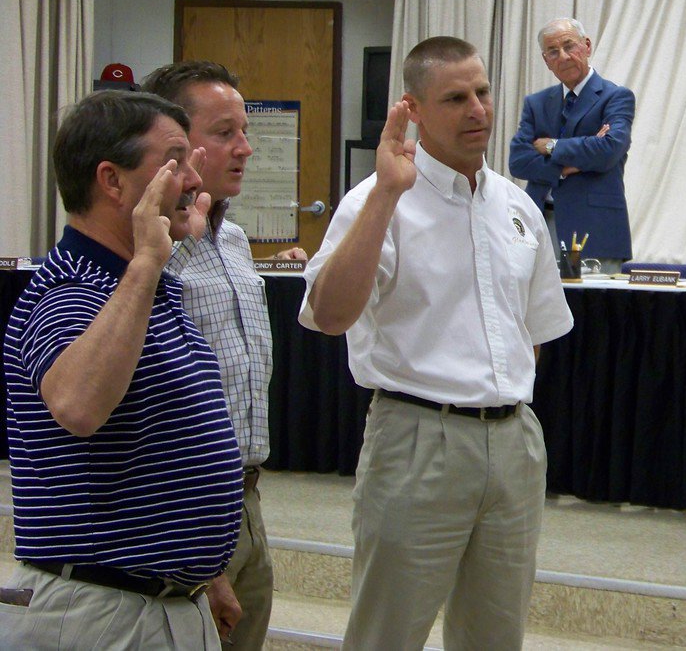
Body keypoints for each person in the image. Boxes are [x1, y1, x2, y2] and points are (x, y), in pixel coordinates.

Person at [299, 36, 573, 650]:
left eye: (482, 92)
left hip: (513, 444)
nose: (478, 109)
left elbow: (533, 331)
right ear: (414, 109)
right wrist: (386, 192)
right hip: (418, 439)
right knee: (386, 635)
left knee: (495, 637)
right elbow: (330, 315)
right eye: (455, 98)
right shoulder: (379, 201)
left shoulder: (518, 206)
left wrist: (498, 405)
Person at [0, 90, 243, 649]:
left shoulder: (142, 287)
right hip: (97, 612)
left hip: (156, 603)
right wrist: (148, 263)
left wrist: (205, 572)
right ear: (112, 181)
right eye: (175, 162)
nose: (192, 181)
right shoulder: (70, 290)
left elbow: (164, 445)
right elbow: (79, 407)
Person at [143, 61, 306, 648]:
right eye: (225, 133)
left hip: (245, 495)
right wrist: (202, 560)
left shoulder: (233, 240)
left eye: (245, 131)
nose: (245, 148)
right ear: (174, 146)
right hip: (182, 505)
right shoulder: (153, 254)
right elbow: (150, 416)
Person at [509, 17, 634, 272]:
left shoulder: (616, 97)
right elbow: (518, 161)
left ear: (586, 46)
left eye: (569, 46)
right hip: (539, 222)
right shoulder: (537, 103)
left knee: (593, 309)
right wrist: (565, 169)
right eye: (553, 51)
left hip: (594, 227)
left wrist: (551, 146)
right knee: (540, 310)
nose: (563, 56)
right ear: (546, 61)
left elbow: (608, 151)